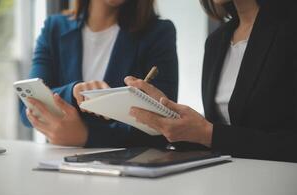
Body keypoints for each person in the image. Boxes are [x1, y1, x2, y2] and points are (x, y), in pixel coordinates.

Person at [125, 0, 297, 162]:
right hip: (225, 183)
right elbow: (216, 139)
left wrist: (208, 134)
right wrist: (166, 112)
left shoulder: (289, 27)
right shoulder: (216, 41)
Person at [20, 0, 178, 147]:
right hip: (59, 165)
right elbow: (26, 104)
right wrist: (74, 94)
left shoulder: (157, 33)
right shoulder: (53, 28)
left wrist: (87, 136)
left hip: (129, 170)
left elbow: (164, 125)